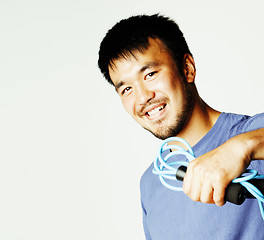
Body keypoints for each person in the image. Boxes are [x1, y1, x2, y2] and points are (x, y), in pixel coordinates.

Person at [98, 14, 264, 240]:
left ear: (187, 68)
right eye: (126, 89)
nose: (143, 97)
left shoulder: (252, 135)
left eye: (150, 74)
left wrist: (242, 148)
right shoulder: (151, 183)